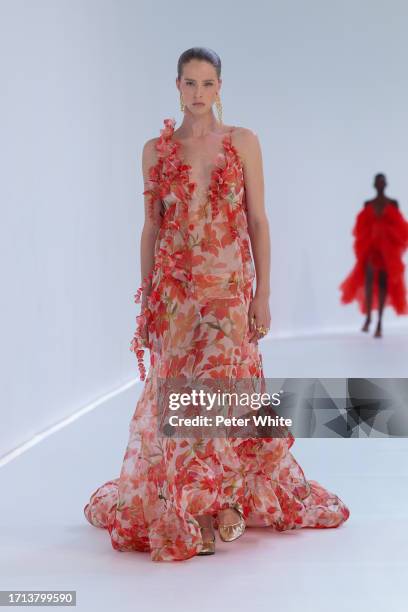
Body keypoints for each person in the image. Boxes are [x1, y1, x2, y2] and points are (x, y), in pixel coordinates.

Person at [84, 47, 350, 562]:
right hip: (177, 294)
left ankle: (225, 502)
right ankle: (200, 510)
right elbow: (151, 228)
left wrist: (263, 292)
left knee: (227, 394)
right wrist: (147, 304)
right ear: (177, 87)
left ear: (220, 87)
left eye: (208, 84)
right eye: (190, 84)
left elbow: (258, 221)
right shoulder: (156, 151)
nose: (199, 94)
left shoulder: (242, 142)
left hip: (229, 288)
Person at [339, 173, 408, 337]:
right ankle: (369, 317)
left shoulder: (393, 203)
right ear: (374, 185)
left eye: (382, 182)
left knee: (383, 283)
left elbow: (400, 227)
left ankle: (379, 322)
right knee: (369, 280)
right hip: (371, 249)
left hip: (387, 252)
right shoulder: (368, 204)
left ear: (385, 184)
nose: (380, 185)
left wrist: (389, 237)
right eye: (378, 182)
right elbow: (361, 227)